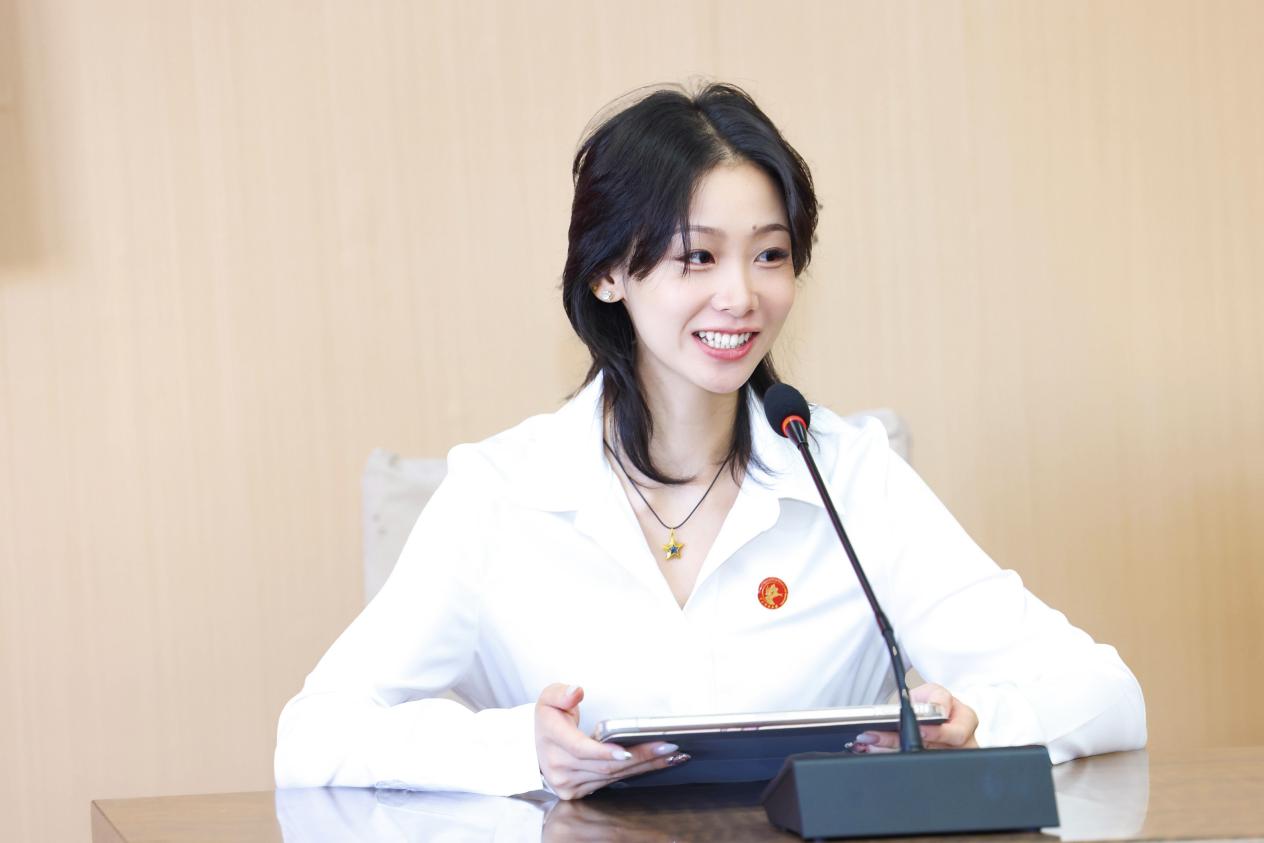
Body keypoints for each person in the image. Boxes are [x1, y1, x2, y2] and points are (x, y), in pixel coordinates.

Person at [274, 82, 1146, 801]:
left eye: (770, 255)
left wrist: (977, 724)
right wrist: (522, 750)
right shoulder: (499, 492)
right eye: (698, 257)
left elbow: (1106, 695)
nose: (742, 296)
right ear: (607, 271)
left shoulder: (850, 475)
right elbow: (313, 736)